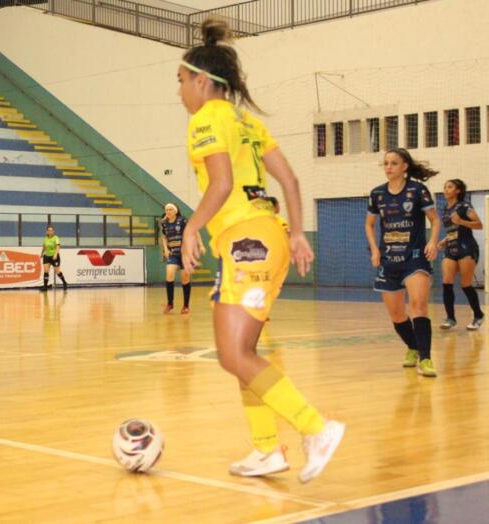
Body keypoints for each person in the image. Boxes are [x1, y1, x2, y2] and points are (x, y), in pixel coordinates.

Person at [178, 19, 344, 483]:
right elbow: (289, 180)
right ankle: (267, 449)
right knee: (241, 351)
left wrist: (191, 227)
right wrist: (296, 233)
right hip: (268, 234)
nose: (179, 91)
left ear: (202, 81)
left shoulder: (206, 118)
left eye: (181, 80)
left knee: (233, 354)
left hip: (245, 239)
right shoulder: (246, 121)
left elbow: (222, 182)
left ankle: (316, 428)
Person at [364, 148, 440, 377]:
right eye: (386, 163)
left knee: (418, 306)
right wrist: (375, 250)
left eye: (393, 163)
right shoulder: (377, 194)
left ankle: (426, 359)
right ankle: (413, 347)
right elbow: (369, 224)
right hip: (389, 259)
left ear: (404, 166)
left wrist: (433, 242)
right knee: (397, 315)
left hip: (414, 257)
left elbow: (435, 220)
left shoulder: (418, 190)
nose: (388, 167)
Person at [438, 179, 484, 330]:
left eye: (449, 187)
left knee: (465, 284)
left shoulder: (465, 206)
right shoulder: (444, 208)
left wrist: (462, 221)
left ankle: (478, 315)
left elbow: (479, 225)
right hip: (450, 248)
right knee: (446, 283)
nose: (446, 189)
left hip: (466, 247)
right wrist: (444, 240)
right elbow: (452, 230)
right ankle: (450, 318)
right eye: (445, 187)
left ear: (458, 190)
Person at [160, 202, 205, 314]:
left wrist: (201, 244)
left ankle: (186, 306)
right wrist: (165, 249)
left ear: (175, 211)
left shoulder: (183, 220)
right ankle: (170, 303)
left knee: (185, 277)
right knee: (169, 272)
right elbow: (164, 237)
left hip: (185, 254)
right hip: (174, 254)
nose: (168, 212)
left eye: (170, 209)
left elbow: (195, 231)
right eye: (166, 210)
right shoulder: (164, 223)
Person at [39, 225, 68, 291]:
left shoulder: (56, 238)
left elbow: (58, 246)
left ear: (53, 231)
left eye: (51, 230)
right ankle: (45, 287)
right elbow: (44, 246)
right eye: (49, 230)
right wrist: (42, 253)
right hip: (46, 256)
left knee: (57, 271)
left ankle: (64, 282)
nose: (50, 231)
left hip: (54, 257)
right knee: (46, 271)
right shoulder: (45, 238)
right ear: (47, 232)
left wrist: (55, 254)